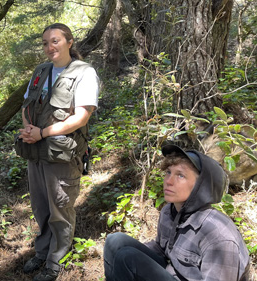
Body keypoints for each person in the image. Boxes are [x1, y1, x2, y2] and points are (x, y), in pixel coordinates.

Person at [16, 23, 99, 281]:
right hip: (35, 152)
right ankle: (42, 251)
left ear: (69, 42)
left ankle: (57, 259)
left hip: (62, 154)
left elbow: (81, 118)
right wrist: (28, 129)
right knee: (40, 206)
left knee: (60, 208)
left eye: (55, 41)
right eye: (45, 43)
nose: (49, 47)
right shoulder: (41, 71)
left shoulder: (84, 73)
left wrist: (42, 133)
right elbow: (26, 106)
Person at [103, 144, 250, 281]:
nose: (168, 181)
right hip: (172, 272)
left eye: (180, 175)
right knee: (115, 241)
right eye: (168, 172)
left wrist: (131, 261)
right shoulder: (169, 211)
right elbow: (160, 250)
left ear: (201, 186)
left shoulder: (218, 237)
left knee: (127, 257)